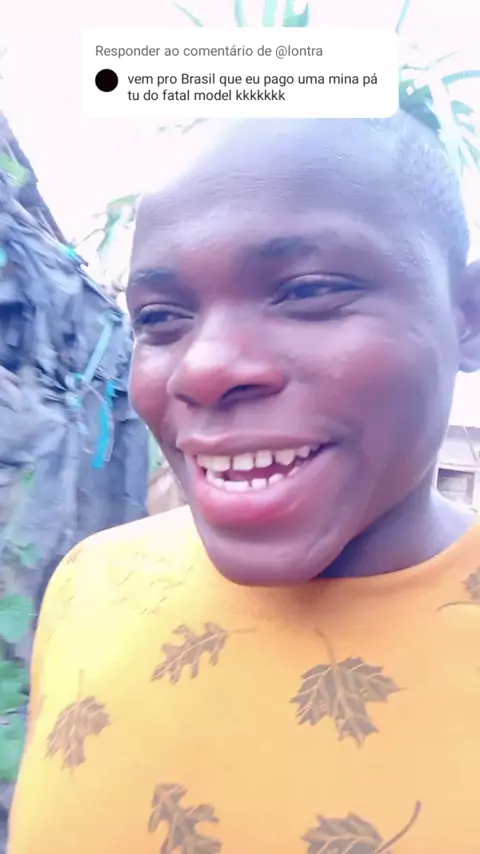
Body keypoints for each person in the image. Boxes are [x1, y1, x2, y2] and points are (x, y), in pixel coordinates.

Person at [8, 114, 480, 853]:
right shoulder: (92, 581)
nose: (202, 369)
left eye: (309, 291)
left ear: (468, 318)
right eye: (161, 318)